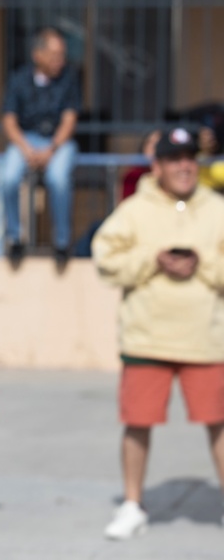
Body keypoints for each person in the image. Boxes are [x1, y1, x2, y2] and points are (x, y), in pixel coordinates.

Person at [92, 125, 224, 540]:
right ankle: (133, 505)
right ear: (158, 165)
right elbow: (106, 259)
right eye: (174, 160)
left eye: (189, 159)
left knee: (220, 423)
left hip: (207, 338)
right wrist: (153, 259)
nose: (184, 167)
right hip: (147, 336)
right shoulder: (134, 209)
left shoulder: (218, 208)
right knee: (137, 421)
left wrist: (201, 262)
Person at [0, 27, 80, 270]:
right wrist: (26, 148)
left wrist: (51, 149)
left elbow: (69, 120)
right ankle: (14, 238)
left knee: (58, 179)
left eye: (62, 54)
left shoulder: (69, 78)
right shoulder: (19, 79)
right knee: (8, 177)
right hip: (26, 140)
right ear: (38, 55)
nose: (60, 60)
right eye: (54, 54)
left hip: (58, 142)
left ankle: (62, 242)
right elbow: (9, 120)